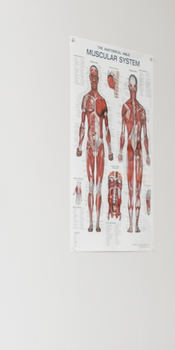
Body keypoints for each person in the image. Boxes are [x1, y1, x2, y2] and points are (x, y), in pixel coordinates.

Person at [75, 63, 113, 232]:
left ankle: (98, 223)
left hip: (101, 146)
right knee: (91, 184)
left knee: (99, 185)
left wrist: (111, 150)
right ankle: (91, 223)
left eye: (96, 77)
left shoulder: (103, 102)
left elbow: (107, 128)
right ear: (89, 78)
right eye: (92, 76)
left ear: (98, 79)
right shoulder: (86, 100)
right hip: (90, 146)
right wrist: (80, 145)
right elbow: (82, 124)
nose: (94, 80)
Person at [120, 73, 151, 232]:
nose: (132, 90)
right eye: (130, 87)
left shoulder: (142, 110)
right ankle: (130, 225)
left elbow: (145, 134)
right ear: (128, 87)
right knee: (130, 188)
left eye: (134, 87)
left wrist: (147, 154)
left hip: (138, 150)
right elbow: (122, 133)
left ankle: (136, 225)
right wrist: (119, 151)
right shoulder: (125, 108)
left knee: (137, 189)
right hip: (130, 151)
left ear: (137, 88)